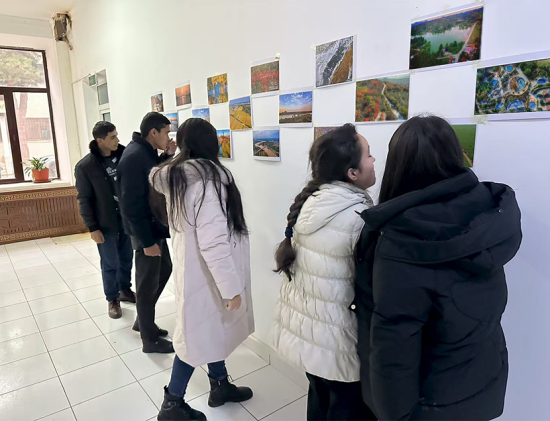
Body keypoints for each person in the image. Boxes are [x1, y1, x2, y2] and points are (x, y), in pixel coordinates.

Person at [354, 116, 522, 421]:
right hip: (484, 379)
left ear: (398, 165)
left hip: (429, 400)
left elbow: (395, 345)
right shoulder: (486, 216)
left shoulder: (402, 238)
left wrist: (395, 415)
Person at [150, 118, 254, 421]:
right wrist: (230, 288)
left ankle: (219, 384)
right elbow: (213, 242)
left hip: (195, 270)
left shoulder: (181, 177)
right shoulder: (208, 183)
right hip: (208, 274)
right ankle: (172, 405)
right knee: (194, 339)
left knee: (208, 332)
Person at [272, 124, 378, 421]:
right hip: (339, 344)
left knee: (320, 400)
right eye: (369, 154)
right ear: (352, 173)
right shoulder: (356, 218)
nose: (374, 160)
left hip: (312, 338)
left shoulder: (313, 202)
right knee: (345, 409)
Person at [118, 112, 177, 354]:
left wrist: (167, 156)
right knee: (146, 284)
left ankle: (143, 322)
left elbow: (152, 177)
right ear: (153, 132)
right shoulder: (134, 156)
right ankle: (149, 340)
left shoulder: (146, 151)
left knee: (164, 270)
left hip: (153, 228)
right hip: (146, 232)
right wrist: (146, 242)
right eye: (166, 133)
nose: (169, 137)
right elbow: (130, 206)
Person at [75, 121, 136, 319]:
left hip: (126, 219)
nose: (117, 140)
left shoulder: (124, 156)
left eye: (116, 135)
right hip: (105, 223)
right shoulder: (85, 166)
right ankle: (112, 298)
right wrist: (92, 227)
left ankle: (125, 289)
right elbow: (84, 199)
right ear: (99, 140)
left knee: (126, 258)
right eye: (112, 137)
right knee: (110, 262)